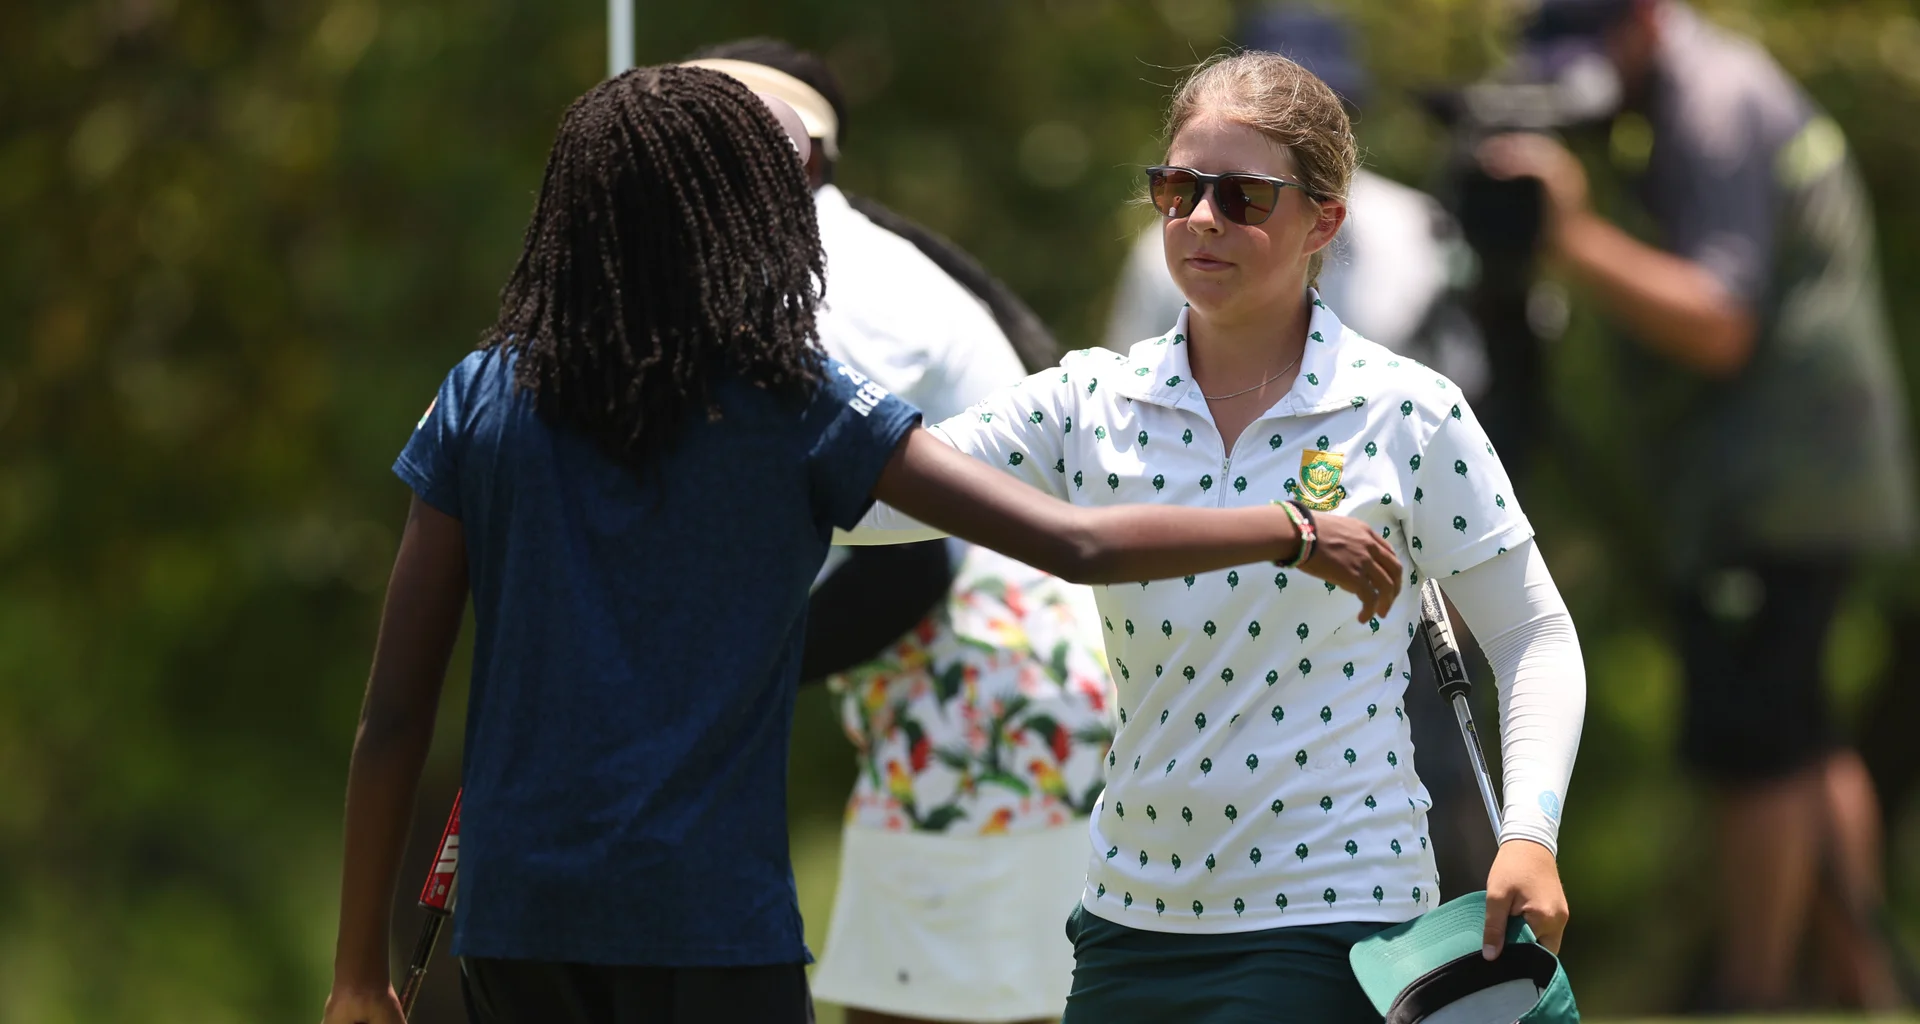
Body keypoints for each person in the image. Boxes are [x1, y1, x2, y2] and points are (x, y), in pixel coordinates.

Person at [317, 64, 1400, 1024]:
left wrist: (357, 970)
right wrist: (1290, 527)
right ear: (749, 211)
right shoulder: (789, 399)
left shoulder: (483, 396)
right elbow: (1070, 542)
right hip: (711, 926)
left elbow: (395, 711)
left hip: (517, 920)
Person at [843, 51, 1588, 1022]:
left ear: (1324, 219)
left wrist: (1529, 830)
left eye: (1243, 196)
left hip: (1338, 913)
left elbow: (1533, 631)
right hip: (1127, 918)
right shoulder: (1088, 399)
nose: (1200, 219)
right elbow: (864, 506)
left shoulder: (1406, 411)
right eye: (1178, 189)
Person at [1478, 0, 1917, 1010]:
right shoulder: (1715, 83)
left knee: (1755, 750)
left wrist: (1572, 236)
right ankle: (1867, 987)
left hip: (1770, 483)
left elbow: (1720, 322)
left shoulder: (1710, 104)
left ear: (1638, 21)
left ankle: (1747, 995)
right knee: (1802, 731)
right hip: (1814, 471)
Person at [685, 40, 1115, 1024]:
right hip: (980, 691)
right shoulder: (804, 269)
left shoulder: (835, 294)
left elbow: (906, 562)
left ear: (800, 157)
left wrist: (714, 670)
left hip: (990, 691)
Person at [1104, 2, 1504, 904]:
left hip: (1404, 584)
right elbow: (1136, 428)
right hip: (1217, 602)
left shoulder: (1420, 230)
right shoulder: (1161, 250)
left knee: (1439, 815)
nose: (1209, 210)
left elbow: (1467, 411)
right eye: (1189, 184)